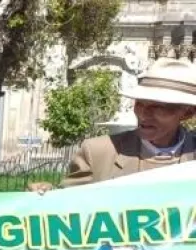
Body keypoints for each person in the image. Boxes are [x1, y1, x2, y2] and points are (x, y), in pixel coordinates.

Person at [28, 57, 196, 193]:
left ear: (187, 113)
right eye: (140, 104)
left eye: (158, 107)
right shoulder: (98, 152)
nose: (143, 114)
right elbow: (69, 208)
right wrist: (46, 194)